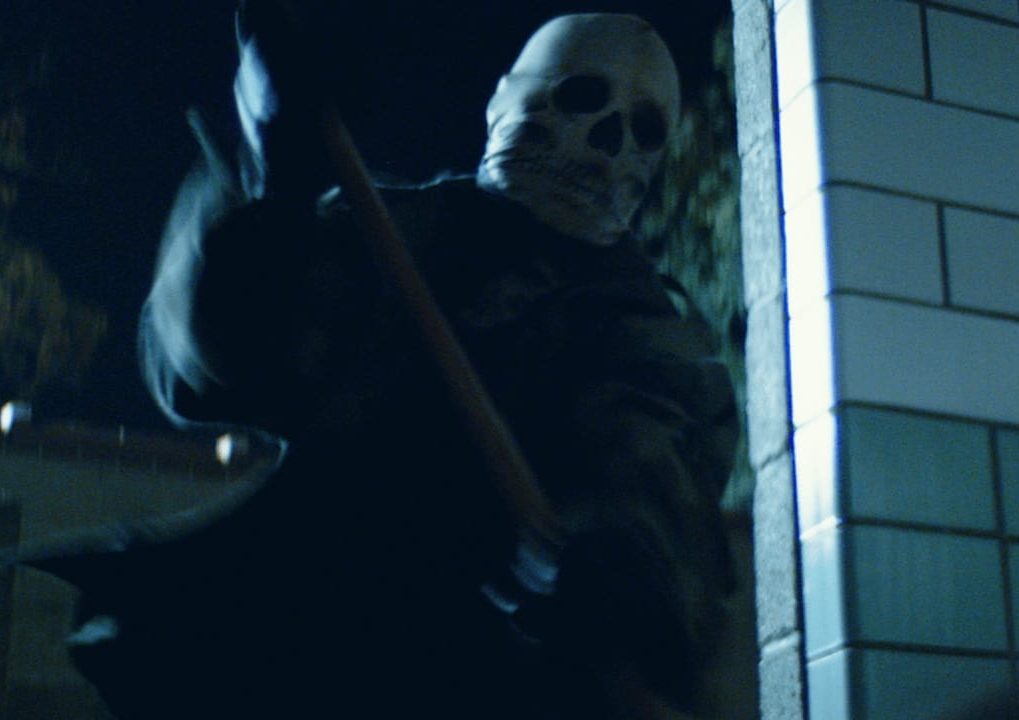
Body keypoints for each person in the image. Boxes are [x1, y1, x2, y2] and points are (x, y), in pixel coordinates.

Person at [49, 6, 740, 719]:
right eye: (583, 98)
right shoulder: (390, 239)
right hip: (311, 642)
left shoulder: (654, 343)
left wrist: (618, 563)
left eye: (642, 129)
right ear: (508, 98)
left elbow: (654, 472)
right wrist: (276, 183)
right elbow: (214, 362)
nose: (606, 143)